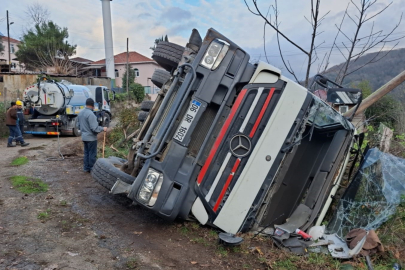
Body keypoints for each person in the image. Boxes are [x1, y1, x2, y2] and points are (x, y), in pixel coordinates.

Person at [77, 98, 107, 172]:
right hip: (91, 138)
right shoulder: (91, 114)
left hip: (84, 137)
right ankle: (92, 169)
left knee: (86, 153)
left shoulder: (80, 113)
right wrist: (103, 129)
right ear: (93, 105)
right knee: (92, 154)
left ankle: (86, 168)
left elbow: (78, 126)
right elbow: (94, 128)